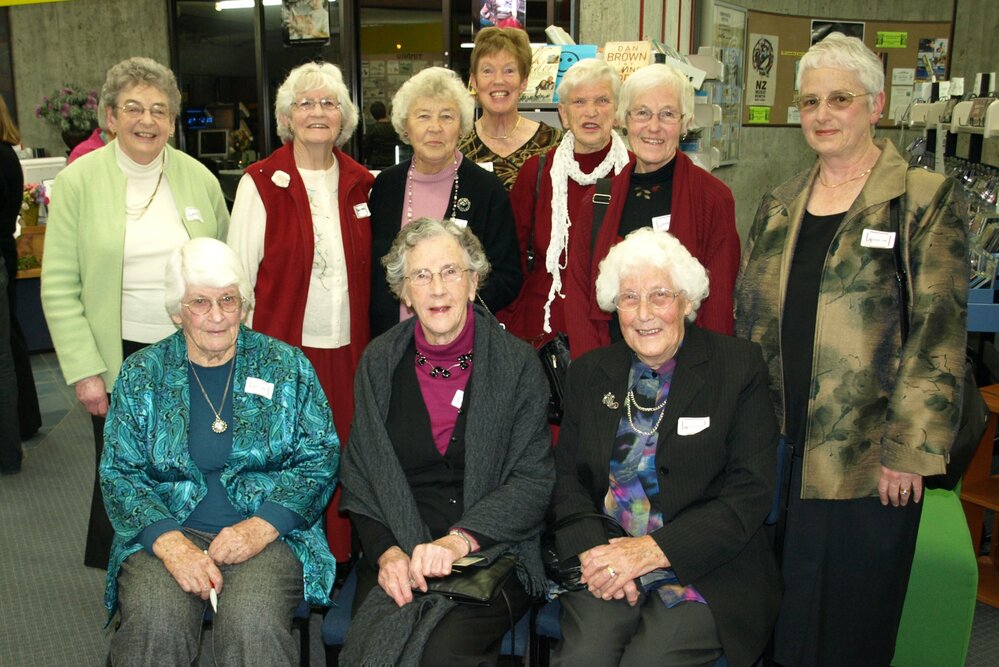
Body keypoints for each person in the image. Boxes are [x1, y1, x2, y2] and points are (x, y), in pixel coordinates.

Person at [734, 33, 968, 666]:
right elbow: (748, 321)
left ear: (876, 104)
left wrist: (910, 452)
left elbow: (939, 334)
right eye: (809, 101)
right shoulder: (780, 204)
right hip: (781, 447)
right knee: (776, 609)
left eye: (839, 98)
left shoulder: (921, 198)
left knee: (847, 622)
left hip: (869, 460)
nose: (822, 114)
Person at [100, 237, 338, 665]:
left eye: (228, 300)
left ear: (243, 305)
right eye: (199, 303)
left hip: (265, 535)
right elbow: (120, 473)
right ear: (177, 311)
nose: (216, 316)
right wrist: (171, 545)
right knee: (155, 623)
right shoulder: (141, 374)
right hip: (168, 531)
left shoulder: (285, 366)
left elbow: (320, 456)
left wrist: (262, 527)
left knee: (254, 625)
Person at [552, 228, 781, 667]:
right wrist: (594, 554)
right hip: (609, 559)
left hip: (709, 567)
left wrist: (649, 552)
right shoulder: (590, 372)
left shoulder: (738, 368)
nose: (643, 314)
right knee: (585, 657)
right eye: (629, 298)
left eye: (659, 295)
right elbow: (567, 480)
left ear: (686, 301)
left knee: (651, 660)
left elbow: (749, 493)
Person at [41, 56, 229, 569]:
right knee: (126, 473)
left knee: (194, 464)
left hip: (194, 352)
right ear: (110, 116)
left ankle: (196, 570)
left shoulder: (198, 178)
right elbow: (59, 285)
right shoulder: (79, 182)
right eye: (133, 108)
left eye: (159, 110)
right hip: (118, 356)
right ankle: (127, 585)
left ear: (172, 121)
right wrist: (85, 371)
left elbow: (226, 270)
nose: (147, 121)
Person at [340, 218, 554, 666]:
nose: (437, 288)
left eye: (450, 272)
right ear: (404, 292)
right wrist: (388, 553)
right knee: (376, 643)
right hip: (400, 547)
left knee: (442, 653)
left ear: (473, 282)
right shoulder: (379, 363)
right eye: (421, 275)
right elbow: (360, 476)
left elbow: (532, 482)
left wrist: (457, 543)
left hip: (492, 552)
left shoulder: (517, 365)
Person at [229, 61, 371, 564]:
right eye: (305, 104)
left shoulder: (361, 182)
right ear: (286, 117)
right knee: (288, 452)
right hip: (283, 351)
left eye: (328, 103)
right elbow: (239, 280)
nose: (317, 112)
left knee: (344, 448)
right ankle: (286, 555)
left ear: (343, 118)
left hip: (349, 351)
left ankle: (340, 553)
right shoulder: (261, 182)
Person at [570, 64, 740, 357]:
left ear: (685, 123)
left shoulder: (713, 199)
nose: (654, 126)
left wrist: (705, 378)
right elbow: (577, 297)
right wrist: (594, 372)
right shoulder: (597, 201)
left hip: (688, 367)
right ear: (624, 120)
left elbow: (718, 304)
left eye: (668, 114)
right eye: (642, 113)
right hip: (610, 364)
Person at [369, 67, 521, 338]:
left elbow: (508, 278)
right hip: (393, 341)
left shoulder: (487, 190)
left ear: (461, 127)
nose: (435, 127)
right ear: (406, 126)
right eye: (423, 116)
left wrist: (450, 307)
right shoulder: (385, 187)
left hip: (463, 340)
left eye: (447, 116)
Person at [502, 58, 630, 349]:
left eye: (602, 100)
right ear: (563, 113)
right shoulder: (536, 172)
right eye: (579, 102)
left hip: (612, 330)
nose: (591, 112)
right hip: (543, 330)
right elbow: (515, 256)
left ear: (617, 110)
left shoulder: (632, 173)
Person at [458, 27, 562, 190]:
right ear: (474, 81)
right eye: (487, 71)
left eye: (509, 71)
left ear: (524, 81)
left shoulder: (555, 144)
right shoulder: (457, 146)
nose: (498, 80)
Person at [0, 95, 40, 455]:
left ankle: (19, 425)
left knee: (7, 347)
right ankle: (25, 420)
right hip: (4, 254)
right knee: (10, 340)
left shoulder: (3, 156)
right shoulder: (8, 154)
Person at [364, 101, 400, 169]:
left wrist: (366, 159)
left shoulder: (371, 129)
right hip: (392, 161)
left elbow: (367, 147)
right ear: (385, 111)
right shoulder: (394, 127)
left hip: (376, 162)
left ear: (373, 114)